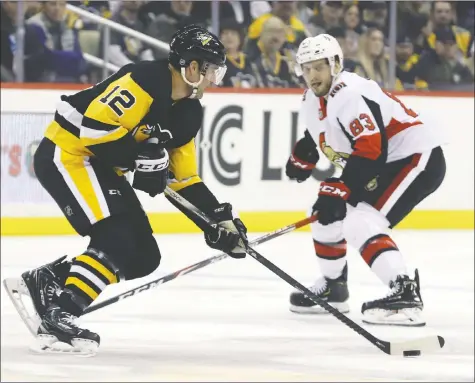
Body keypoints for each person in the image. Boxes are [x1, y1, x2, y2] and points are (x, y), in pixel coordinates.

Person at [4, 25, 248, 355]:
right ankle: (60, 314)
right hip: (69, 153)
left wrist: (216, 221)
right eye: (210, 71)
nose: (212, 80)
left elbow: (183, 178)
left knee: (143, 257)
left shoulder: (188, 112)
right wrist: (141, 158)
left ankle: (48, 280)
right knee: (116, 238)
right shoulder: (145, 79)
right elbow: (93, 128)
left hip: (100, 165)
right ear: (192, 67)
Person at [285, 34, 447, 326]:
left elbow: (371, 147)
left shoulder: (349, 92)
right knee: (325, 217)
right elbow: (323, 131)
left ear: (335, 64)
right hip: (383, 163)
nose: (312, 75)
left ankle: (404, 293)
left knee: (360, 222)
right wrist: (306, 154)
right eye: (306, 68)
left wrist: (341, 188)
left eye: (319, 67)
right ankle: (334, 288)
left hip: (414, 157)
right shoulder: (311, 98)